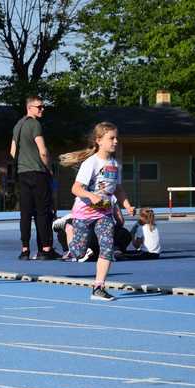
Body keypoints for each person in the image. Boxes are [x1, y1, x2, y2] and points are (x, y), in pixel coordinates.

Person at [60, 122, 135, 301]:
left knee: (108, 247)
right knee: (79, 253)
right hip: (83, 214)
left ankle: (98, 287)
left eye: (117, 138)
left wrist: (127, 205)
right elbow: (76, 189)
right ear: (99, 140)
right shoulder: (91, 163)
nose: (115, 141)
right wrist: (91, 196)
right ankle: (69, 230)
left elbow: (118, 189)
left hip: (103, 214)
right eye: (111, 138)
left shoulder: (115, 164)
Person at [10, 95, 59, 260]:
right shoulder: (35, 124)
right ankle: (45, 249)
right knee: (42, 212)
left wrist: (22, 161)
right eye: (39, 107)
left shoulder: (18, 125)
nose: (42, 109)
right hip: (38, 172)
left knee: (25, 213)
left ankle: (25, 250)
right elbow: (43, 150)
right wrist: (49, 168)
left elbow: (12, 151)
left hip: (22, 174)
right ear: (29, 107)